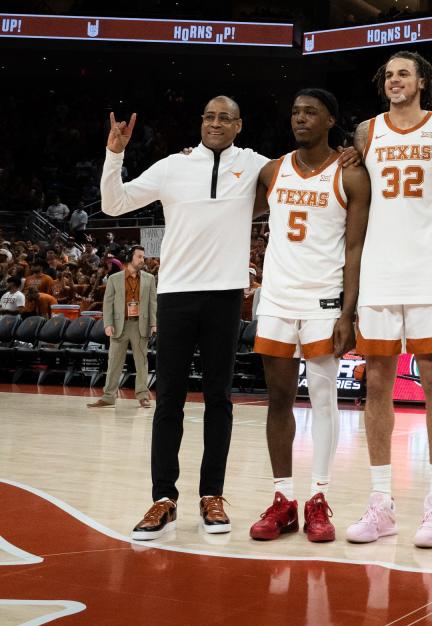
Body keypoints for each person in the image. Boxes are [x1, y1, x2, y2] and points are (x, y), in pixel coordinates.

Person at [100, 96, 271, 540]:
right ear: (202, 122)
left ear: (239, 125)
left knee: (219, 399)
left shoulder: (255, 164)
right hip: (176, 294)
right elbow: (113, 204)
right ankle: (163, 499)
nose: (215, 123)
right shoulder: (173, 165)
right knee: (169, 400)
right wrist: (114, 152)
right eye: (209, 116)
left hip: (225, 296)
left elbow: (309, 172)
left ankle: (211, 495)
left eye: (225, 117)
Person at [346, 51, 432, 549]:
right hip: (379, 272)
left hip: (431, 268)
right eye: (389, 74)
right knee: (377, 386)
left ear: (422, 81)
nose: (395, 80)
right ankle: (381, 504)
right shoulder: (367, 133)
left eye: (404, 73)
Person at [247, 88, 370, 543]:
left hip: (323, 300)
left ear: (330, 120)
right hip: (277, 299)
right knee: (278, 399)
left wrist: (347, 310)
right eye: (295, 111)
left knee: (323, 400)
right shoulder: (272, 169)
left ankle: (319, 497)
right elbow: (226, 177)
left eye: (311, 112)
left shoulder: (351, 172)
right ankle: (282, 499)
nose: (300, 119)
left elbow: (355, 247)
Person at [87, 246, 157, 409]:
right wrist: (108, 324)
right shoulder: (114, 278)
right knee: (114, 362)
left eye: (143, 257)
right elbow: (108, 303)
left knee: (142, 362)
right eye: (139, 257)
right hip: (120, 325)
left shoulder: (149, 278)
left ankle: (143, 395)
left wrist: (153, 323)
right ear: (130, 258)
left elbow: (153, 303)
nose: (142, 260)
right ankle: (108, 396)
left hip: (140, 324)